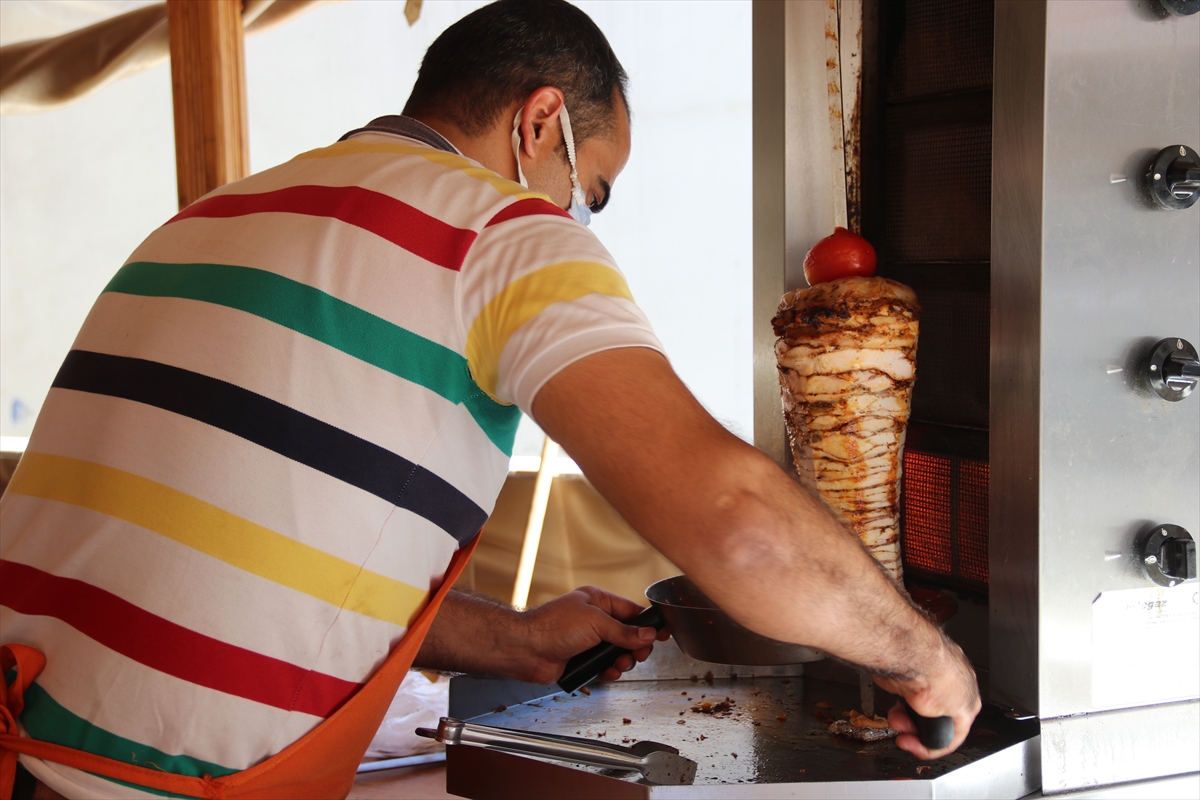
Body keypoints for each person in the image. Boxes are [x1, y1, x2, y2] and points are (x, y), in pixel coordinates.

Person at [0, 1, 980, 797]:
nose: (577, 217)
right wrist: (920, 654)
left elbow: (249, 538)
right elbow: (739, 527)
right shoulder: (503, 230)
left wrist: (506, 636)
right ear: (540, 122)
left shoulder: (215, 215)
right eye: (590, 189)